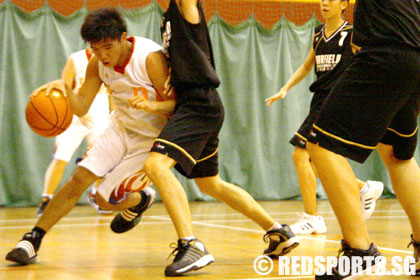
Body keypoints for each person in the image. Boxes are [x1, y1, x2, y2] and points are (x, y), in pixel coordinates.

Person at [114, 0, 298, 276]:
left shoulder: (183, 7)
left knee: (155, 165)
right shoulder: (167, 19)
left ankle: (191, 244)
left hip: (198, 104)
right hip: (197, 104)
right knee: (210, 183)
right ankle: (277, 231)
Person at [6, 8, 175, 267]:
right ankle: (32, 240)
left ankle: (142, 199)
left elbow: (176, 106)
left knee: (104, 201)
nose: (102, 55)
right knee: (78, 179)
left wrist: (152, 108)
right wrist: (65, 87)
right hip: (120, 128)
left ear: (123, 37)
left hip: (151, 139)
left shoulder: (148, 57)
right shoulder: (97, 63)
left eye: (107, 47)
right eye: (96, 49)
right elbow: (81, 106)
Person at [303, 0, 420, 278]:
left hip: (385, 52)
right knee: (396, 155)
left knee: (320, 146)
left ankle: (360, 252)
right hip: (413, 54)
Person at [265, 0, 383, 235]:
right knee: (319, 160)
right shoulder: (318, 34)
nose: (325, 3)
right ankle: (363, 188)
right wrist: (285, 88)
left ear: (344, 5)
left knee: (300, 154)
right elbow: (306, 66)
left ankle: (313, 218)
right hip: (319, 101)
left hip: (337, 101)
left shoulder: (352, 33)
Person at [38, 48, 112, 217]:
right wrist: (80, 113)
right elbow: (64, 88)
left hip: (100, 114)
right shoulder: (76, 59)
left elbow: (112, 93)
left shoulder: (109, 59)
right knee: (60, 159)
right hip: (74, 117)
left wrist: (113, 114)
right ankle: (47, 199)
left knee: (102, 159)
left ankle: (97, 196)